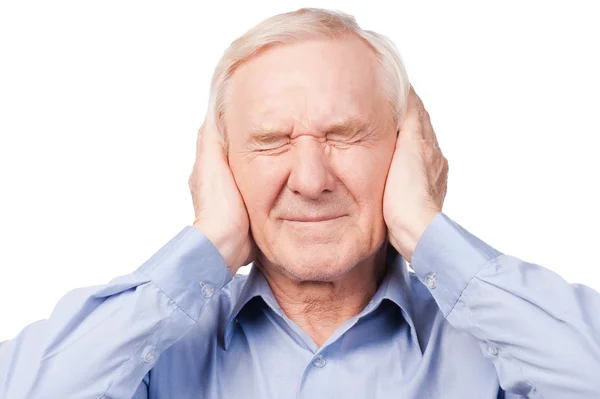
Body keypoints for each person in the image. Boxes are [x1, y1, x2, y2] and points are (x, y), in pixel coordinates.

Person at [1, 7, 599, 399]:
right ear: (222, 165)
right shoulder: (147, 354)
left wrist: (424, 226)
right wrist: (207, 244)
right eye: (271, 142)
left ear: (408, 150)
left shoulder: (500, 343)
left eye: (345, 135)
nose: (311, 179)